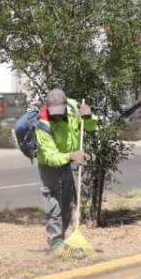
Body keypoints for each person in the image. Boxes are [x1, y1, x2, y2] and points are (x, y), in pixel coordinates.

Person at [35, 88, 97, 251]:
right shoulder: (43, 124)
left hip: (67, 159)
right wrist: (71, 156)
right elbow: (50, 156)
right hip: (49, 164)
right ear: (47, 107)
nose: (56, 115)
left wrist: (89, 117)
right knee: (53, 201)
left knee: (68, 200)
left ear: (64, 106)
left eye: (59, 112)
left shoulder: (73, 108)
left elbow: (90, 127)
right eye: (53, 112)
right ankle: (55, 243)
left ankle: (62, 236)